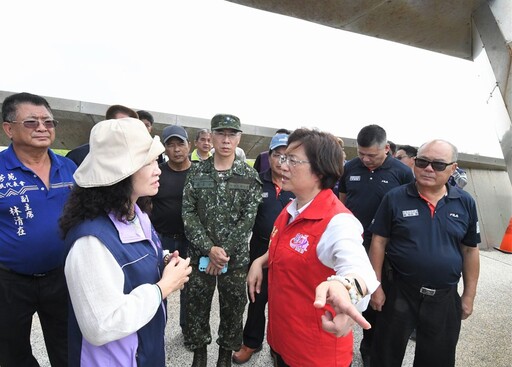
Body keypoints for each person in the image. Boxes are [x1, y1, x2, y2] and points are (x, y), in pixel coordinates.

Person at [59, 117, 192, 367]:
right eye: (148, 162)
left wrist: (162, 260)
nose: (158, 169)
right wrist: (163, 288)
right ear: (120, 172)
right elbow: (100, 326)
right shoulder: (91, 242)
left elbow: (138, 253)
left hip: (142, 347)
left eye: (156, 160)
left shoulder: (135, 213)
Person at [247, 128, 379, 367]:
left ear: (319, 170)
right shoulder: (291, 209)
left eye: (292, 160)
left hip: (315, 354)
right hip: (284, 342)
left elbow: (361, 272)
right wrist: (260, 261)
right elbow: (286, 248)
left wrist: (343, 286)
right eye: (283, 157)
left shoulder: (338, 221)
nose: (282, 165)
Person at [368, 139, 480, 367]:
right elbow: (378, 242)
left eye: (438, 164)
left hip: (444, 297)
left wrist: (468, 296)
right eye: (422, 162)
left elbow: (470, 250)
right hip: (398, 292)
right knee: (385, 355)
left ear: (453, 168)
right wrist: (376, 287)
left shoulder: (465, 202)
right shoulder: (395, 198)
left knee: (437, 359)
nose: (428, 168)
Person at [0, 92, 76, 367]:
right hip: (9, 281)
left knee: (67, 346)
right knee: (11, 352)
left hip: (61, 276)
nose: (43, 128)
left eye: (49, 122)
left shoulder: (69, 168)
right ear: (8, 128)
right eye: (31, 122)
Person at [182, 114, 262, 367]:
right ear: (212, 136)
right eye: (220, 133)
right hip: (199, 256)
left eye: (232, 134)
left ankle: (225, 357)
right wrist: (209, 248)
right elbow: (188, 213)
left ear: (239, 138)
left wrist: (222, 251)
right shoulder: (196, 173)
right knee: (196, 308)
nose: (226, 140)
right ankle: (199, 356)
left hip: (234, 260)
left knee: (233, 310)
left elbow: (248, 220)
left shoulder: (248, 176)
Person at [337, 124, 414, 366]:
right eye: (361, 154)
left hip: (387, 246)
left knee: (381, 298)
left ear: (387, 149)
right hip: (355, 243)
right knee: (352, 294)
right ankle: (354, 346)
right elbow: (342, 201)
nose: (366, 159)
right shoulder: (350, 168)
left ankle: (375, 348)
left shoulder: (401, 172)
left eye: (371, 154)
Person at [232, 133, 295, 364]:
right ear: (270, 156)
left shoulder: (298, 184)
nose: (282, 161)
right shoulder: (257, 181)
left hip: (289, 251)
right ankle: (251, 342)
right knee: (257, 298)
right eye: (277, 155)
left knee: (285, 302)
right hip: (260, 248)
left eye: (287, 156)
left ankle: (279, 346)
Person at [150, 124, 192, 330]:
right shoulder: (157, 173)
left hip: (190, 240)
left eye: (180, 144)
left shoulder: (198, 175)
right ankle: (158, 329)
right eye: (171, 145)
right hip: (162, 238)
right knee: (159, 285)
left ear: (189, 146)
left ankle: (187, 327)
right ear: (164, 149)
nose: (176, 149)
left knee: (190, 287)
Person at [65, 104, 138, 166]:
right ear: (107, 125)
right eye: (121, 124)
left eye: (130, 126)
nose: (126, 130)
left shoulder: (136, 160)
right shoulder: (79, 156)